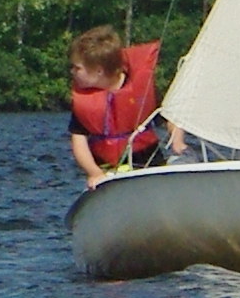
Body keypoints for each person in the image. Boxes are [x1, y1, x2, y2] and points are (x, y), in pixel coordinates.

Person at [65, 25, 167, 183]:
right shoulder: (85, 103)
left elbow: (169, 117)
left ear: (98, 71)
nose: (72, 72)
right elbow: (78, 141)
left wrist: (178, 142)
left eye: (77, 68)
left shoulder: (143, 88)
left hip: (149, 164)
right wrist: (94, 173)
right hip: (107, 171)